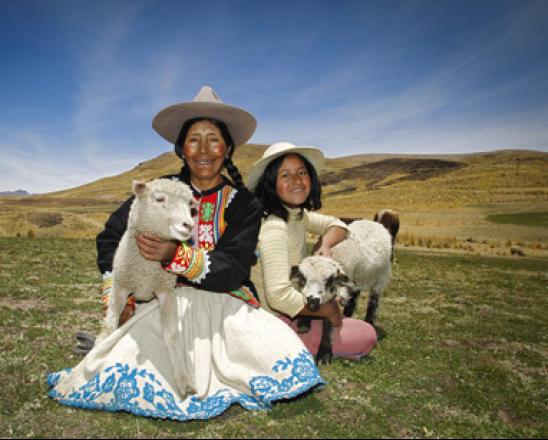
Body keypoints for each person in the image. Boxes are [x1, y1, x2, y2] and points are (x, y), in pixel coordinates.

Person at [48, 87, 325, 420]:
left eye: (214, 139)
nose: (204, 150)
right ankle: (120, 342)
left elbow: (233, 268)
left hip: (225, 306)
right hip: (161, 304)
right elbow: (111, 238)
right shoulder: (158, 191)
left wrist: (173, 255)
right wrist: (121, 301)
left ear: (227, 148)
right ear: (181, 149)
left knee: (282, 356)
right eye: (194, 140)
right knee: (129, 365)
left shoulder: (243, 204)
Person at [247, 142, 378, 360]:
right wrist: (329, 310)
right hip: (275, 320)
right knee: (367, 334)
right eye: (285, 175)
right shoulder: (274, 227)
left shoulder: (298, 215)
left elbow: (338, 226)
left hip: (293, 311)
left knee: (354, 327)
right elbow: (278, 297)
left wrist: (324, 244)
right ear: (271, 184)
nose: (296, 181)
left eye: (302, 173)